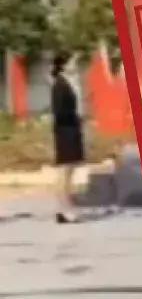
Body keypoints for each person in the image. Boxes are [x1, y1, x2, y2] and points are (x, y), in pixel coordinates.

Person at [50, 53, 83, 224]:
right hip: (65, 132)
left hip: (70, 130)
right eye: (72, 62)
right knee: (65, 172)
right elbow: (59, 113)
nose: (75, 65)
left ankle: (64, 209)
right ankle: (65, 209)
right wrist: (75, 118)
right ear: (63, 65)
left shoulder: (67, 83)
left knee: (68, 172)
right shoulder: (59, 85)